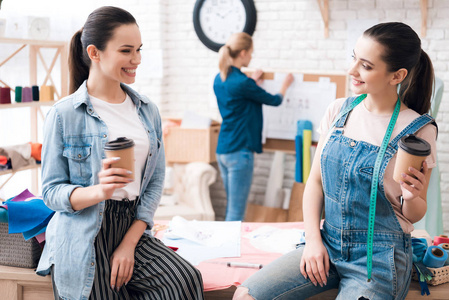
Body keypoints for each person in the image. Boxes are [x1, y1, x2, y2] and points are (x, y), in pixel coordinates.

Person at [233, 22, 437, 300]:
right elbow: (315, 183)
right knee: (245, 295)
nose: (352, 70)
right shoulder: (339, 111)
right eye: (354, 58)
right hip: (327, 243)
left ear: (396, 75)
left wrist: (412, 196)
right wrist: (313, 241)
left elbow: (413, 212)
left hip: (378, 258)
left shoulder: (418, 128)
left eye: (366, 66)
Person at [36, 6, 204, 300]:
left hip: (132, 226)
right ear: (94, 52)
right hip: (83, 234)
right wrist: (99, 191)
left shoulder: (147, 110)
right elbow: (51, 192)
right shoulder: (64, 114)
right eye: (126, 51)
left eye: (139, 50)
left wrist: (128, 243)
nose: (136, 60)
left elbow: (154, 181)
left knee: (185, 280)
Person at [213, 32, 294, 221]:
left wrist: (253, 82)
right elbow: (274, 100)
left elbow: (239, 99)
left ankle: (226, 248)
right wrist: (285, 85)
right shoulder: (243, 83)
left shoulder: (220, 78)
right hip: (239, 152)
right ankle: (230, 251)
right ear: (242, 53)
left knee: (231, 207)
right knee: (236, 212)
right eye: (250, 53)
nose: (251, 57)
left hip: (223, 150)